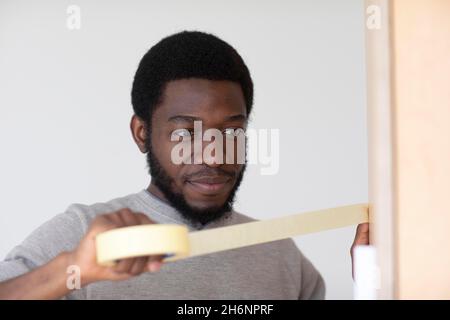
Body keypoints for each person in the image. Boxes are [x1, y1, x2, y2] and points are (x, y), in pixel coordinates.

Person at [0, 31, 369, 299]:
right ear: (142, 133)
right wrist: (73, 268)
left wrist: (373, 278)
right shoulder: (84, 234)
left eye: (231, 131)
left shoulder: (281, 257)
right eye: (186, 135)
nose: (213, 155)